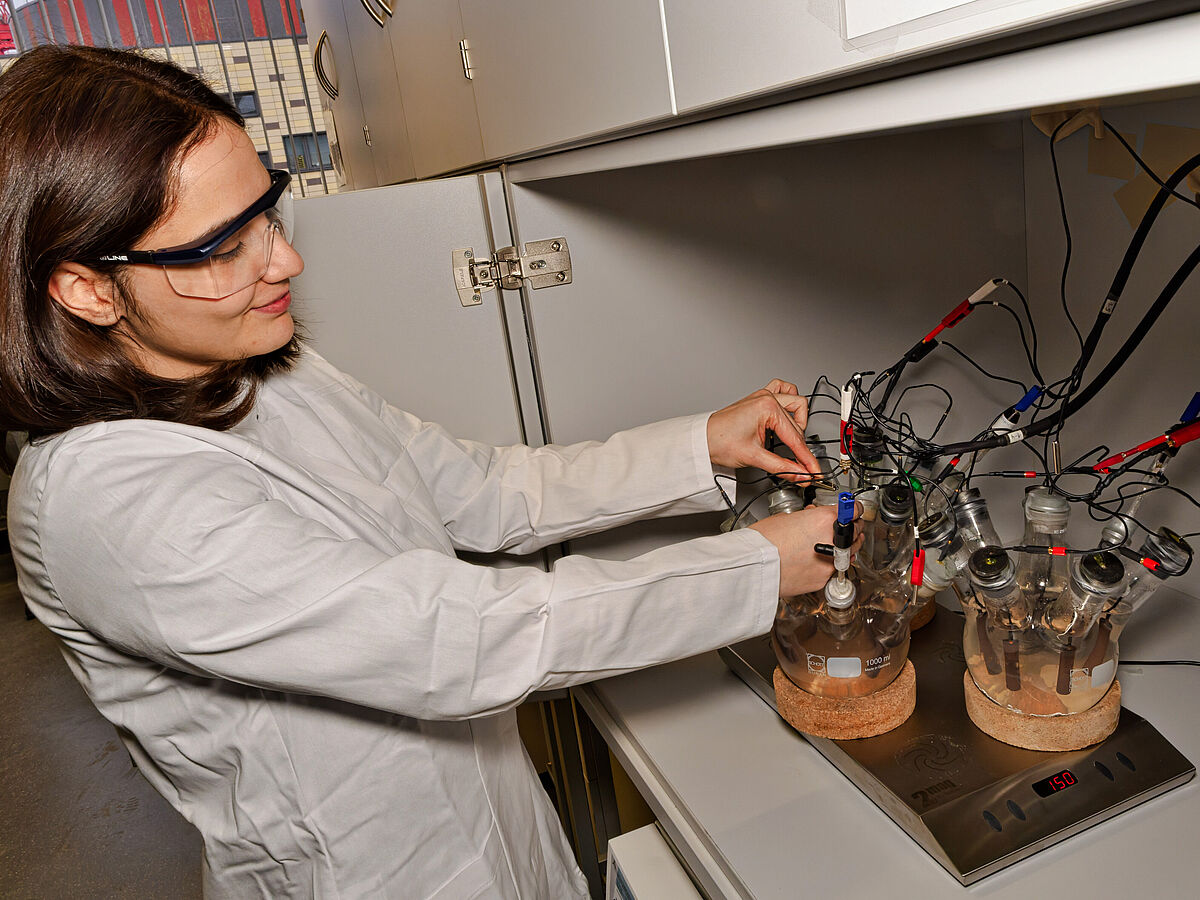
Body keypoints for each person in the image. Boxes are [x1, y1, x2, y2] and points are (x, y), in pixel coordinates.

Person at [0, 46, 846, 898]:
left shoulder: (257, 369)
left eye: (269, 213)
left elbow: (482, 492)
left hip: (500, 827)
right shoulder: (106, 501)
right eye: (222, 248)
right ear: (87, 290)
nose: (283, 263)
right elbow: (465, 638)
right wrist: (757, 566)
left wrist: (701, 444)